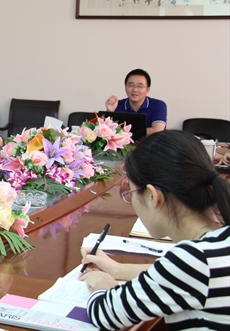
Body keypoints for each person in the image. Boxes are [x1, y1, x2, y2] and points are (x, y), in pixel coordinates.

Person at [79, 130, 230, 330]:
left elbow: (104, 314)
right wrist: (119, 270)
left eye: (131, 193)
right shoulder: (216, 244)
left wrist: (102, 283)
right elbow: (180, 275)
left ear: (152, 196)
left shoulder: (194, 260)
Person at [105, 69, 167, 135]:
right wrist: (110, 111)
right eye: (131, 85)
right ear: (125, 87)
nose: (135, 90)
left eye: (140, 86)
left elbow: (157, 130)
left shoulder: (158, 105)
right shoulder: (116, 105)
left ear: (148, 89)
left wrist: (126, 133)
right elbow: (106, 132)